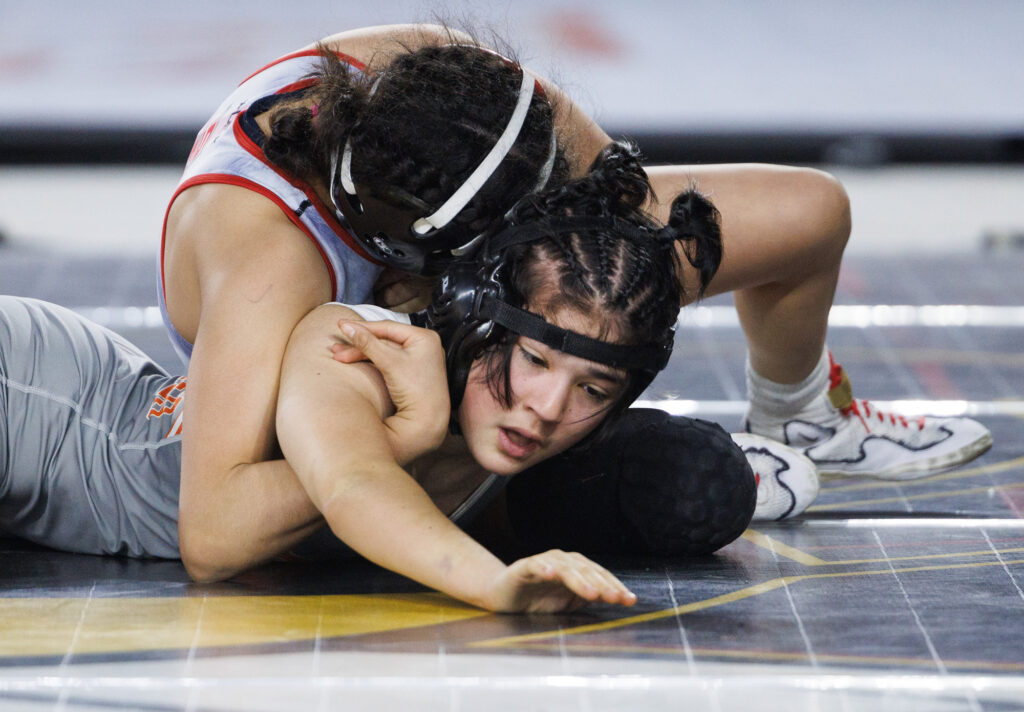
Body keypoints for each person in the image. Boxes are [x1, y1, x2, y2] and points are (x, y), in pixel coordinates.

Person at [159, 23, 988, 550]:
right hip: (339, 372)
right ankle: (520, 484)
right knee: (484, 392)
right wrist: (412, 434)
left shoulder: (458, 92)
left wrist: (605, 286)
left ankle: (805, 418)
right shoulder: (271, 268)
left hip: (451, 266)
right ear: (419, 254)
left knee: (811, 213)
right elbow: (212, 529)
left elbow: (611, 197)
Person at [0, 149, 751, 612]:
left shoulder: (511, 444)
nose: (548, 408)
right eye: (535, 360)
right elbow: (337, 492)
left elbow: (811, 215)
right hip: (29, 394)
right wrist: (490, 579)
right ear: (480, 316)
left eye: (593, 390)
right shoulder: (364, 349)